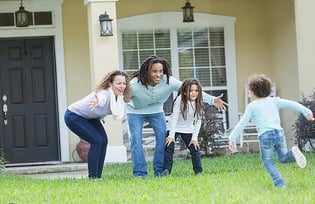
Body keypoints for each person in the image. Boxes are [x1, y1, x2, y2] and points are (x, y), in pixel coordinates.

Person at [126, 55, 227, 178]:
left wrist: (212, 100)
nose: (158, 75)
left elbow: (189, 88)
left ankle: (159, 171)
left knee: (163, 138)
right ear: (147, 71)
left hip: (156, 110)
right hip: (135, 112)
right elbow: (123, 97)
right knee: (136, 139)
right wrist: (126, 99)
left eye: (160, 71)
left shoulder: (168, 81)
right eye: (154, 71)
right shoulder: (134, 84)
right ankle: (140, 173)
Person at [228, 73, 314, 188]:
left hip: (265, 136)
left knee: (268, 161)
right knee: (283, 157)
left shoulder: (252, 106)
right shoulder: (274, 101)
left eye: (249, 89)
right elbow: (292, 104)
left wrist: (232, 138)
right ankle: (293, 153)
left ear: (253, 91)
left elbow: (242, 123)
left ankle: (280, 183)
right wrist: (307, 112)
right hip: (279, 133)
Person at [64, 70, 130, 179]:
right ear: (110, 83)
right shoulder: (104, 93)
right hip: (73, 116)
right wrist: (97, 101)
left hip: (90, 118)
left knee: (103, 140)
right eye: (119, 83)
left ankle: (98, 176)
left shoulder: (118, 97)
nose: (122, 86)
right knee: (96, 140)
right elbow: (101, 99)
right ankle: (93, 176)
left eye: (124, 83)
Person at [163, 78, 204, 176]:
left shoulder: (199, 102)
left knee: (195, 150)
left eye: (196, 90)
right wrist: (171, 136)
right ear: (185, 92)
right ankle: (166, 171)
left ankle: (198, 172)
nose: (194, 93)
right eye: (191, 90)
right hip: (174, 127)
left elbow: (198, 121)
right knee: (169, 149)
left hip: (188, 128)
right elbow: (175, 117)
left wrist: (194, 138)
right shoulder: (180, 99)